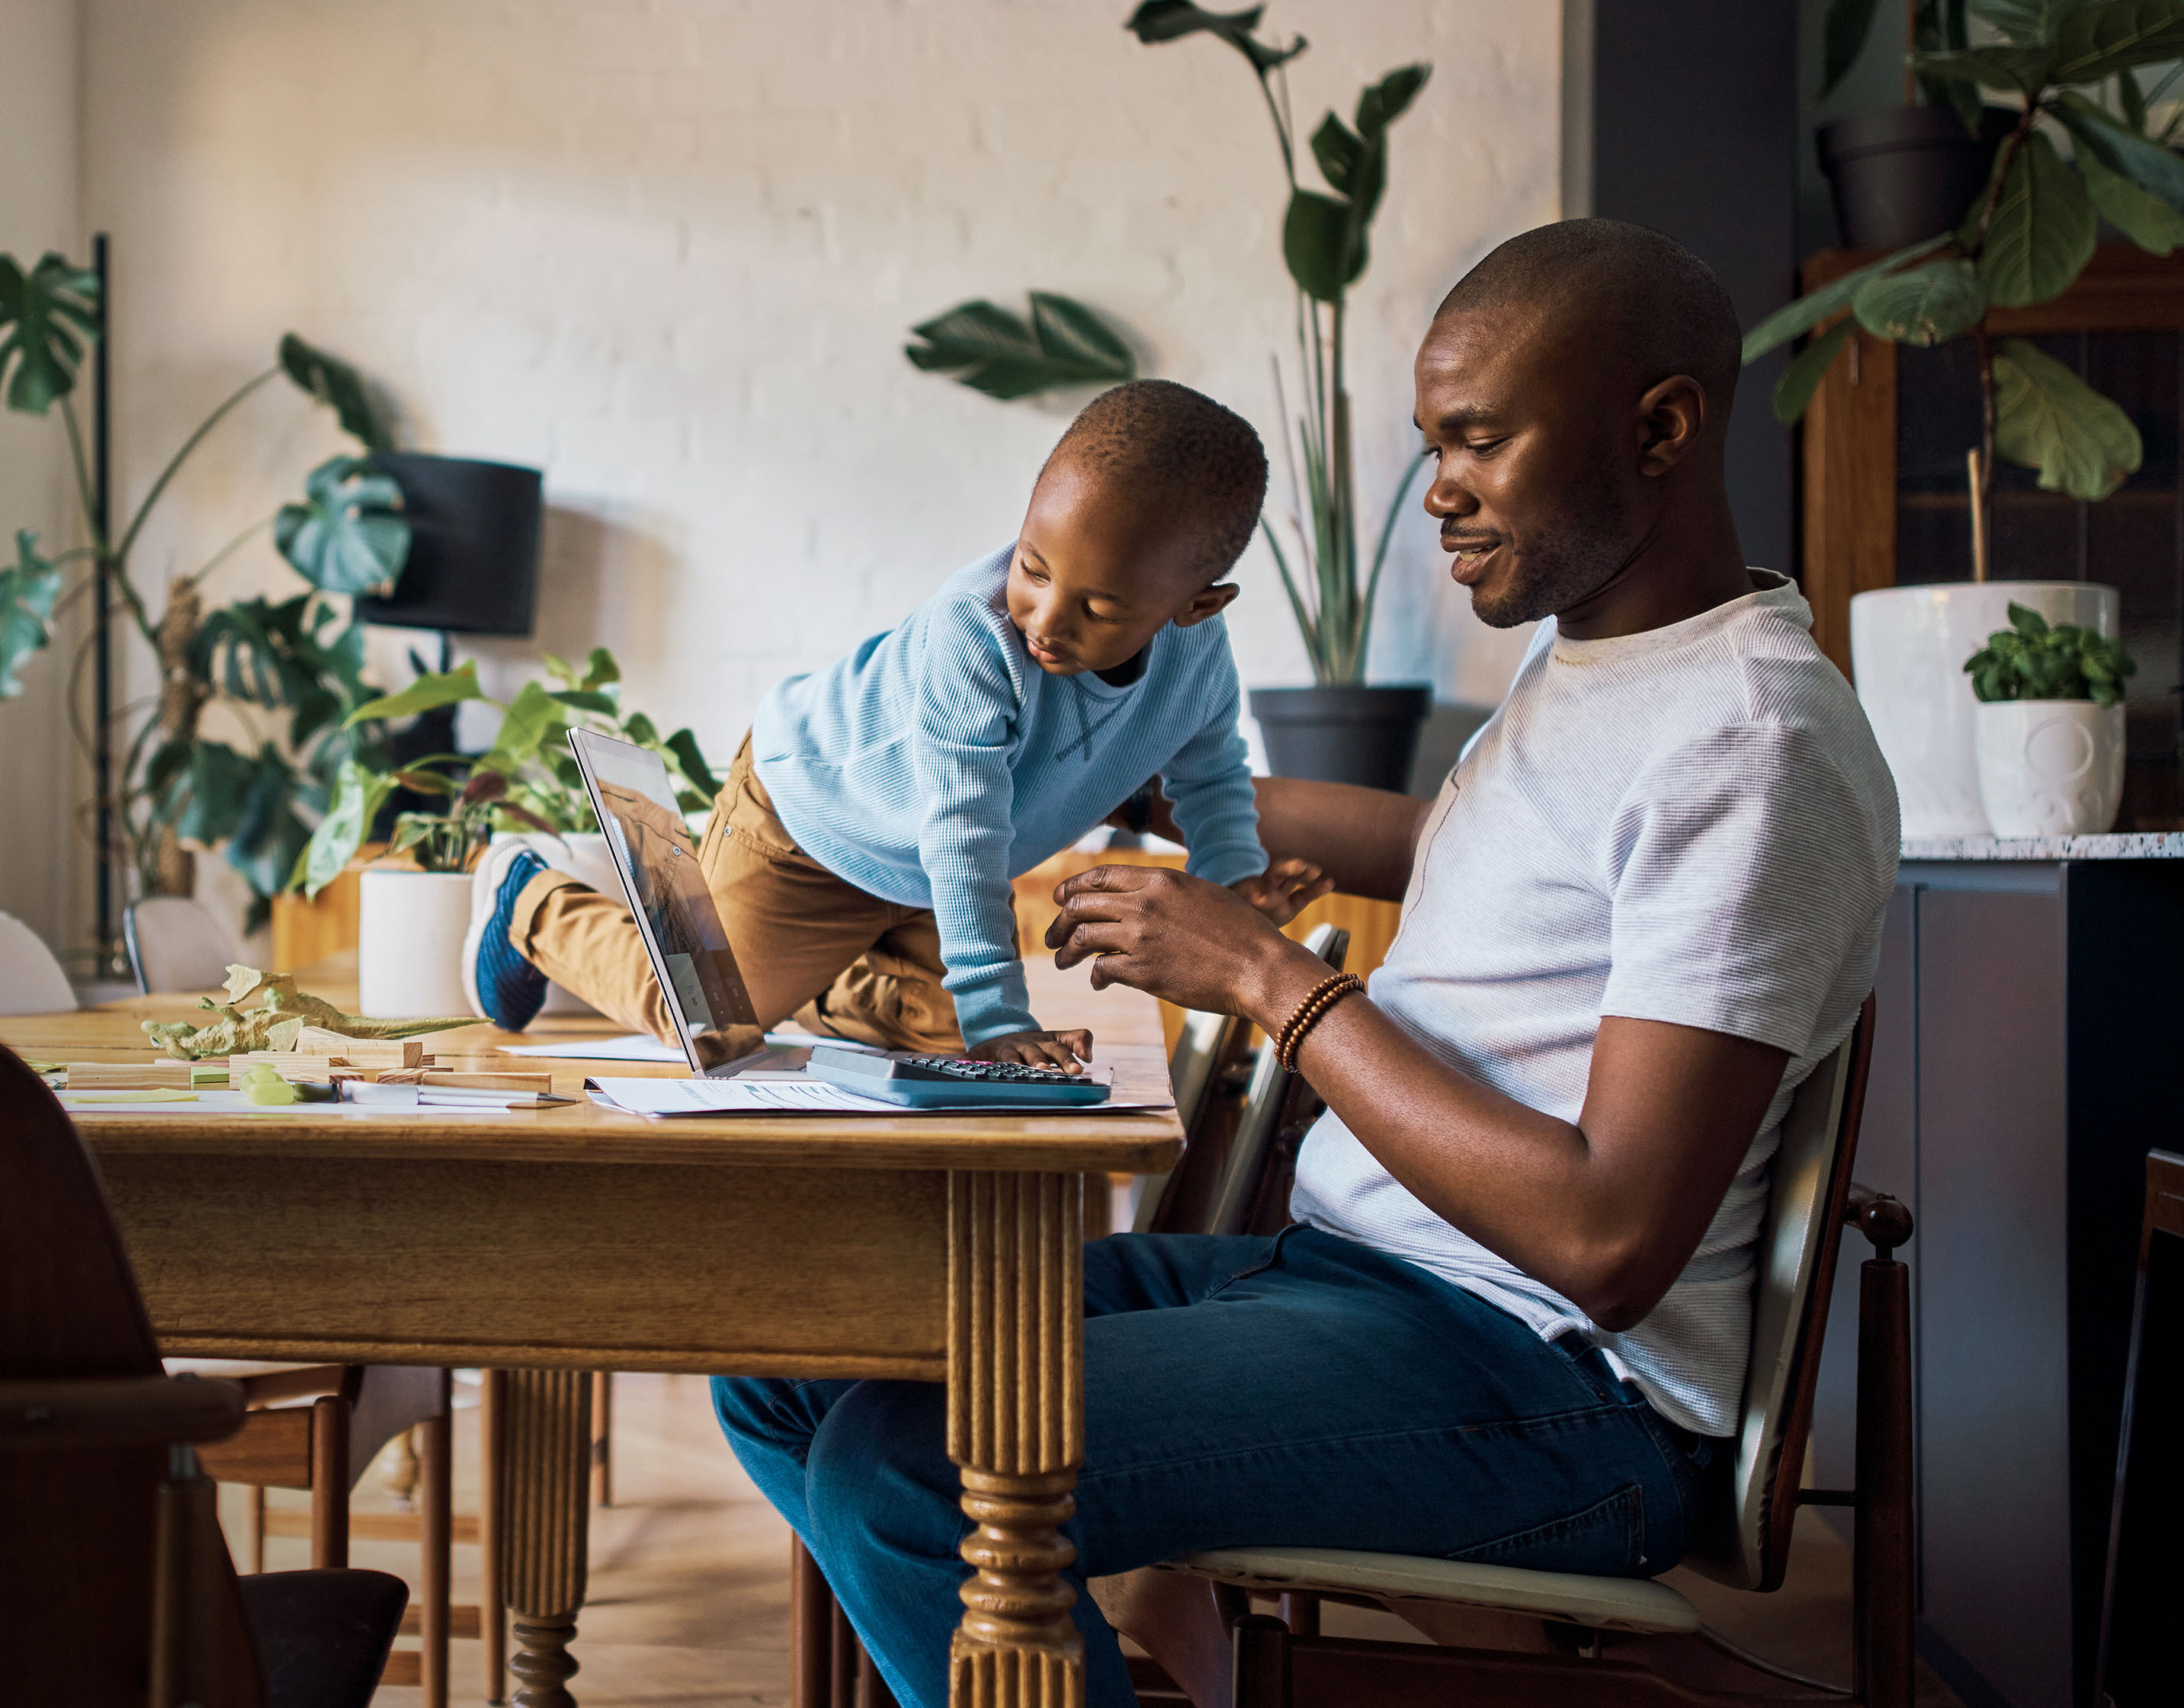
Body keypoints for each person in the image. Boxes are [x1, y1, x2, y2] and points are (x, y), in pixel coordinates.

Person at [712, 220, 1901, 1708]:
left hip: (1547, 1380)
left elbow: (1610, 1236)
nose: (1443, 496)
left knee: (915, 1470)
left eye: (1480, 441)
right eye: (1433, 445)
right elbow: (1476, 854)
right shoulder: (1606, 663)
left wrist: (1274, 979)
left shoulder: (1750, 743)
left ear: (1661, 426)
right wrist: (1136, 779)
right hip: (1352, 1281)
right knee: (778, 1365)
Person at [457, 380, 1329, 1067]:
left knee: (953, 1043)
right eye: (1033, 564)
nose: (1048, 618)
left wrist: (1230, 892)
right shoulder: (974, 634)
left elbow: (1213, 776)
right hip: (809, 818)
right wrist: (997, 1015)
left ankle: (816, 979)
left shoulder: (1199, 659)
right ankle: (529, 894)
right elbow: (963, 829)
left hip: (921, 874)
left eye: (1098, 605)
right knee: (709, 1022)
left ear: (1195, 605)